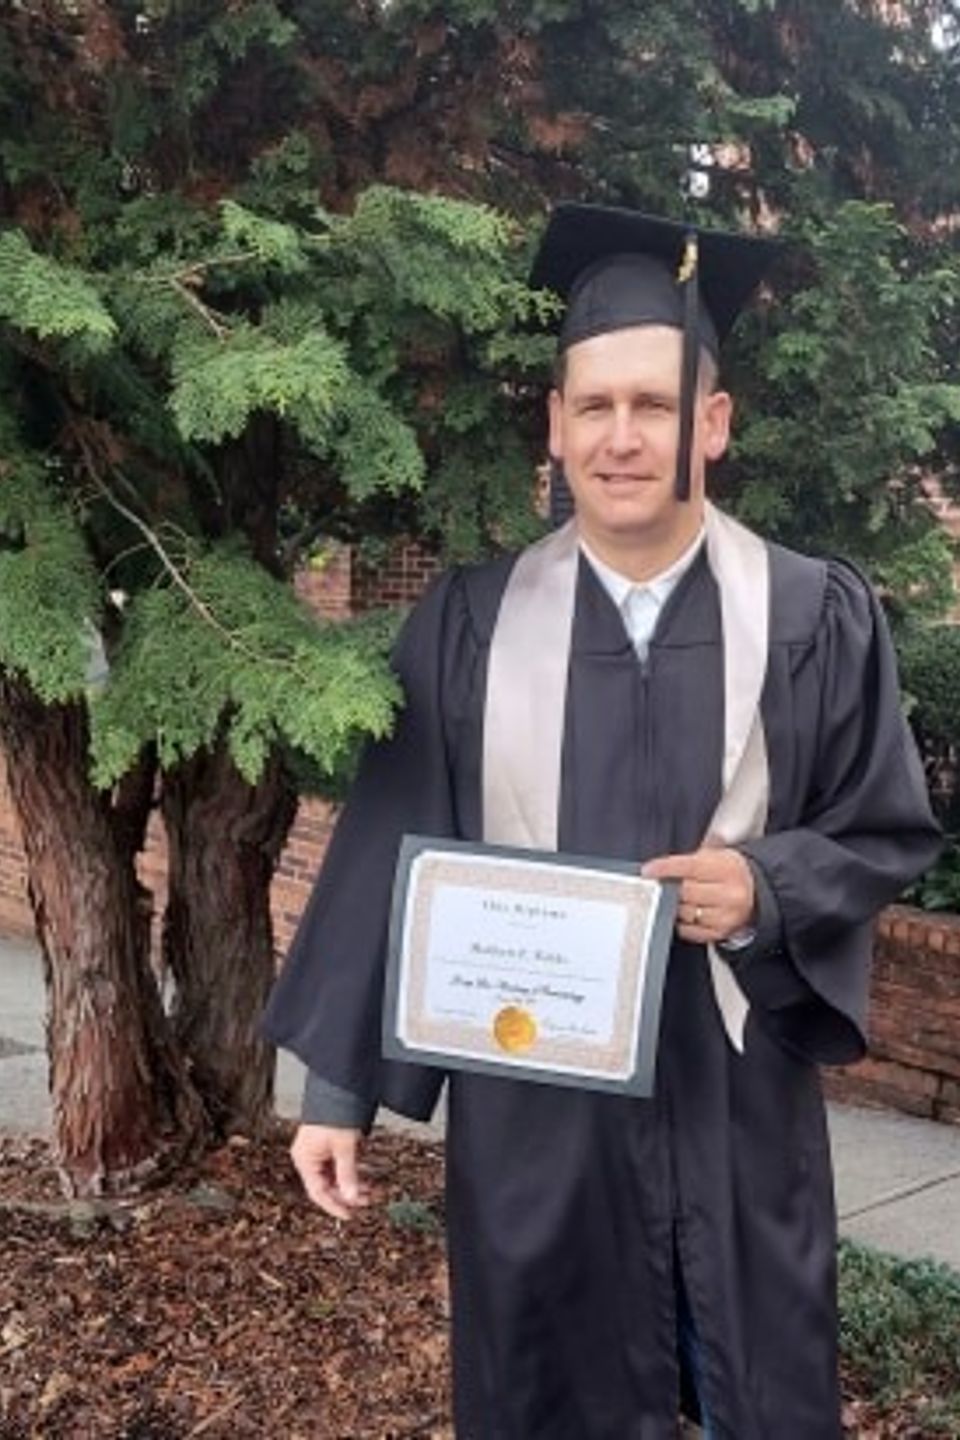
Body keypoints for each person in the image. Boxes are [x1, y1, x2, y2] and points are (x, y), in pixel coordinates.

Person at [263, 204, 941, 1438]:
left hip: (737, 1102)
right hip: (539, 1117)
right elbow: (386, 850)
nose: (622, 438)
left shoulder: (814, 616)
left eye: (656, 405)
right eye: (594, 406)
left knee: (756, 1392)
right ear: (556, 425)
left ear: (712, 425)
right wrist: (337, 1091)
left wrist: (770, 887)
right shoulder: (469, 625)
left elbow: (885, 826)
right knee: (547, 1388)